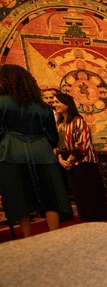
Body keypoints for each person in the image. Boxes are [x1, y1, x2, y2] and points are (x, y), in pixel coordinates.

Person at [0, 64, 72, 237]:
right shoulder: (42, 106)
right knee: (51, 197)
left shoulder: (1, 101)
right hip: (42, 153)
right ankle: (54, 236)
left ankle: (27, 237)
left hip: (11, 153)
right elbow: (52, 136)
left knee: (21, 199)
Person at [53, 92, 107, 222]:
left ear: (67, 104)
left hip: (84, 161)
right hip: (67, 161)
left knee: (89, 191)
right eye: (54, 102)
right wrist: (61, 160)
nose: (54, 104)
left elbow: (82, 144)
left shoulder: (78, 121)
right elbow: (57, 144)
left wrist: (70, 159)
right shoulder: (59, 124)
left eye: (57, 102)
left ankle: (96, 219)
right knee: (78, 192)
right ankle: (85, 218)